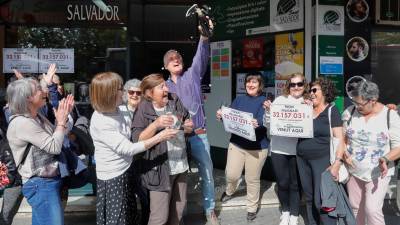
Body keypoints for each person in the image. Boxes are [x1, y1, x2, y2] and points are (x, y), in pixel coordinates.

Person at [89, 72, 178, 225]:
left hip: (126, 170)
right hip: (113, 178)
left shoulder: (119, 110)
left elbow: (135, 109)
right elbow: (128, 149)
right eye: (120, 89)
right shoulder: (102, 120)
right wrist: (160, 136)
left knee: (130, 215)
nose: (124, 91)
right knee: (117, 219)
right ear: (109, 93)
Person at [164, 17, 220, 225]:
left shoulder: (192, 75)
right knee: (178, 177)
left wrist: (204, 37)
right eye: (170, 59)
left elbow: (201, 56)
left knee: (207, 174)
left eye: (177, 56)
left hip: (198, 135)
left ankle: (210, 210)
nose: (175, 59)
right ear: (166, 66)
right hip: (176, 139)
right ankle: (180, 212)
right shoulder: (164, 87)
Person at [6, 78, 74, 225]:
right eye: (38, 89)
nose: (44, 92)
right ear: (27, 97)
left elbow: (60, 137)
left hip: (48, 182)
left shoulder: (36, 117)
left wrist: (64, 117)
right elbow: (54, 146)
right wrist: (61, 122)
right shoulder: (22, 123)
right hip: (40, 184)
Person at [132, 73, 193, 225]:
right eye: (161, 87)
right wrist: (156, 124)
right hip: (159, 170)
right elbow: (137, 139)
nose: (167, 89)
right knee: (159, 218)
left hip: (181, 164)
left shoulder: (174, 100)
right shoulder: (143, 108)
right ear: (149, 93)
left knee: (178, 213)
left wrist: (188, 126)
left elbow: (187, 121)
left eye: (165, 85)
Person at [339, 79, 400, 225]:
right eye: (355, 102)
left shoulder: (390, 116)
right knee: (355, 207)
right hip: (354, 169)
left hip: (378, 171)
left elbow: (398, 147)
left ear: (373, 100)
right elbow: (343, 138)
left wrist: (385, 159)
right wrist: (344, 153)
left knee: (372, 210)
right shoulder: (350, 112)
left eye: (360, 103)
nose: (357, 106)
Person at [216, 72, 269, 221]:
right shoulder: (238, 100)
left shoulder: (265, 102)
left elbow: (264, 121)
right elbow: (230, 119)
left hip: (258, 147)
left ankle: (252, 208)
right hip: (237, 144)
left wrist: (257, 123)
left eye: (254, 82)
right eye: (248, 82)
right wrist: (222, 116)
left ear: (260, 85)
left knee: (252, 179)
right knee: (231, 174)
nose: (250, 85)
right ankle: (230, 190)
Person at [296, 77, 345, 225]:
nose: (310, 93)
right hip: (302, 159)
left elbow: (340, 139)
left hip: (322, 160)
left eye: (314, 90)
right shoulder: (306, 109)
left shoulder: (332, 110)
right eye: (309, 90)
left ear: (325, 91)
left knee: (321, 200)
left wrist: (337, 163)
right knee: (309, 198)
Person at [262, 73, 308, 225]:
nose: (296, 87)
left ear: (304, 85)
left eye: (299, 84)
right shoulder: (280, 100)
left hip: (298, 150)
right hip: (279, 149)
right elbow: (269, 125)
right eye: (292, 84)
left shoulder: (308, 103)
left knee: (295, 184)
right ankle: (286, 211)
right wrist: (268, 112)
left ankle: (295, 214)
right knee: (282, 183)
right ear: (288, 86)